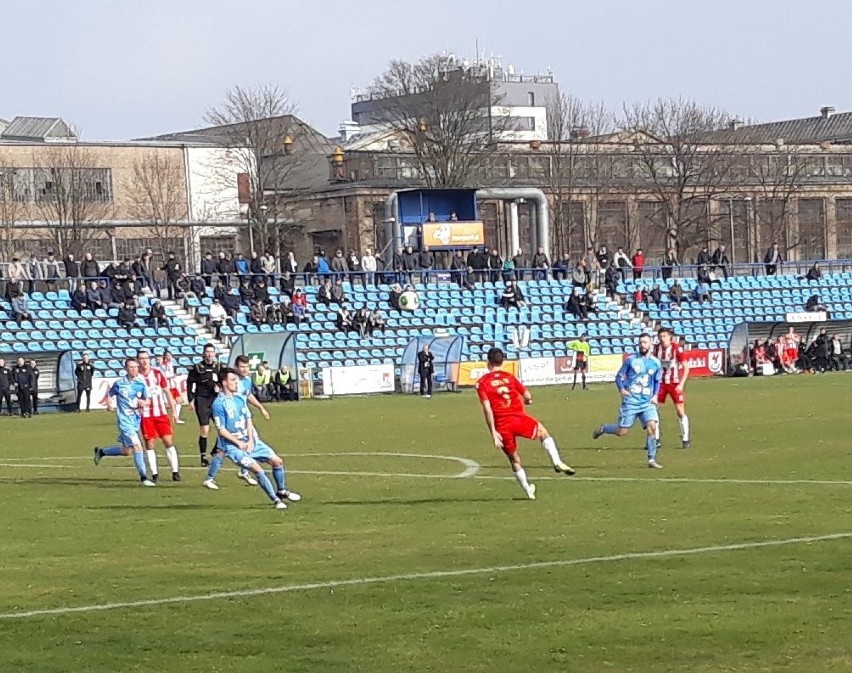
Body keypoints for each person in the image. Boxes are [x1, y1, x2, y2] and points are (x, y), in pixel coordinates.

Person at [476, 347, 575, 500]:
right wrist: (528, 400)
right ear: (502, 361)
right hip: (519, 418)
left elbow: (487, 409)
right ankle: (557, 461)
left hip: (503, 426)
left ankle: (528, 490)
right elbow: (527, 395)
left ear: (488, 362)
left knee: (514, 460)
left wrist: (494, 433)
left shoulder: (482, 382)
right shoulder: (509, 377)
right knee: (543, 432)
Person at [203, 367, 301, 509]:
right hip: (233, 447)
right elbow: (221, 430)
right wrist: (239, 443)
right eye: (233, 380)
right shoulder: (218, 404)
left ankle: (281, 491)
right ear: (224, 383)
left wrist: (250, 440)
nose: (236, 383)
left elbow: (248, 420)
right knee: (257, 469)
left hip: (250, 441)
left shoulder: (240, 398)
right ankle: (276, 500)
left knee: (277, 462)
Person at [592, 333, 664, 469]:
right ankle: (604, 428)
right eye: (641, 342)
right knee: (621, 432)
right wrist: (621, 389)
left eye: (645, 342)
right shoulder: (631, 360)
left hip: (647, 402)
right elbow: (619, 377)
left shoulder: (656, 363)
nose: (642, 345)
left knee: (652, 426)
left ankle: (651, 459)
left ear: (650, 344)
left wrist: (655, 395)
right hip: (631, 402)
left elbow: (656, 381)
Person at [91, 358, 154, 486]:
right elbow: (109, 394)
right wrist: (109, 404)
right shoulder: (120, 384)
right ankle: (144, 478)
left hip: (135, 421)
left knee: (127, 451)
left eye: (136, 367)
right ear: (125, 369)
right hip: (124, 421)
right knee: (138, 446)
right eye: (131, 367)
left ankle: (101, 452)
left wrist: (144, 402)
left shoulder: (141, 384)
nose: (134, 369)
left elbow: (148, 400)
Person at [136, 350, 181, 482]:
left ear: (150, 360)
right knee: (149, 443)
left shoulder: (157, 374)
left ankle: (175, 471)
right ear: (138, 361)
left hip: (160, 413)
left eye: (146, 358)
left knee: (168, 441)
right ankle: (155, 474)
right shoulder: (136, 378)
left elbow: (167, 391)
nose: (144, 361)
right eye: (141, 358)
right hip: (145, 415)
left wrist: (174, 411)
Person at [653, 328, 691, 449]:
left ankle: (685, 439)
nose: (662, 339)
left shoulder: (676, 349)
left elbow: (686, 367)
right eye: (660, 336)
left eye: (664, 336)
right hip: (660, 383)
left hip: (674, 383)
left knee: (680, 411)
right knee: (653, 410)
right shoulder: (656, 349)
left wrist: (681, 384)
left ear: (670, 337)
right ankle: (656, 439)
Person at [186, 343, 222, 467]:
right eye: (207, 351)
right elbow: (190, 383)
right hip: (201, 399)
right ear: (204, 353)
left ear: (215, 353)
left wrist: (220, 388)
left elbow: (224, 380)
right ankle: (203, 457)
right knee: (205, 429)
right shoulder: (197, 367)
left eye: (212, 352)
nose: (210, 354)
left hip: (215, 399)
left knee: (222, 427)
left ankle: (215, 450)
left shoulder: (219, 366)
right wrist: (190, 399)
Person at [159, 350, 185, 424]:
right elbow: (164, 376)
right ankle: (166, 418)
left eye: (170, 355)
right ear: (165, 357)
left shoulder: (170, 364)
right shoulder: (163, 365)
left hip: (173, 386)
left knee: (179, 401)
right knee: (167, 404)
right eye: (168, 355)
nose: (169, 357)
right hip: (167, 387)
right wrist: (174, 375)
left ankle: (176, 418)